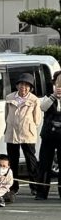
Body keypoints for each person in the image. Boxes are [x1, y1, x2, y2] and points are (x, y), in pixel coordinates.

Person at [4, 73, 41, 195]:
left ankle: (34, 186)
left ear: (30, 87)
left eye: (26, 85)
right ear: (17, 85)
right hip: (12, 132)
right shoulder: (9, 97)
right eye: (21, 84)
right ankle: (13, 187)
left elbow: (37, 119)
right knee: (12, 160)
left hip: (27, 132)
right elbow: (6, 115)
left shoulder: (34, 99)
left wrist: (28, 125)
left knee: (31, 160)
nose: (23, 87)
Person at [37, 70, 61, 200]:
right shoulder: (48, 96)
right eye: (57, 82)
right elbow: (42, 107)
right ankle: (41, 191)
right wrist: (53, 96)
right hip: (48, 134)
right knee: (45, 164)